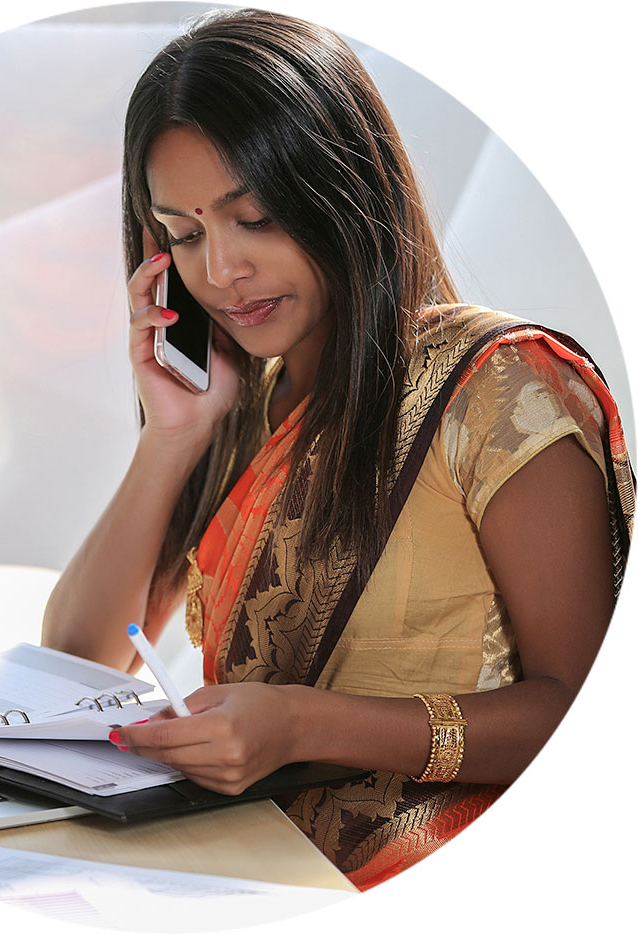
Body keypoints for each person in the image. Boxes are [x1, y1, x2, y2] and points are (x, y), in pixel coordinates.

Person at [40, 8, 633, 890]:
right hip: (246, 867)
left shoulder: (499, 393)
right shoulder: (249, 401)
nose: (222, 271)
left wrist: (307, 725)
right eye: (186, 234)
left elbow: (588, 716)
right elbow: (76, 659)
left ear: (346, 191)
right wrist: (173, 438)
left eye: (258, 219)